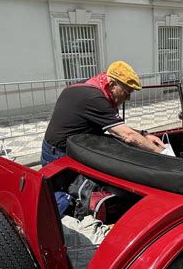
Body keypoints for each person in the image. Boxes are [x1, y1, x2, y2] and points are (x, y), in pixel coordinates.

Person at [42, 61, 165, 215]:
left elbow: (115, 124)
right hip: (59, 153)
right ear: (112, 84)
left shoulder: (92, 86)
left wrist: (144, 134)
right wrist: (160, 153)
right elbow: (127, 135)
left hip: (68, 146)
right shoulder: (94, 98)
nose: (128, 98)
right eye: (127, 92)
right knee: (64, 198)